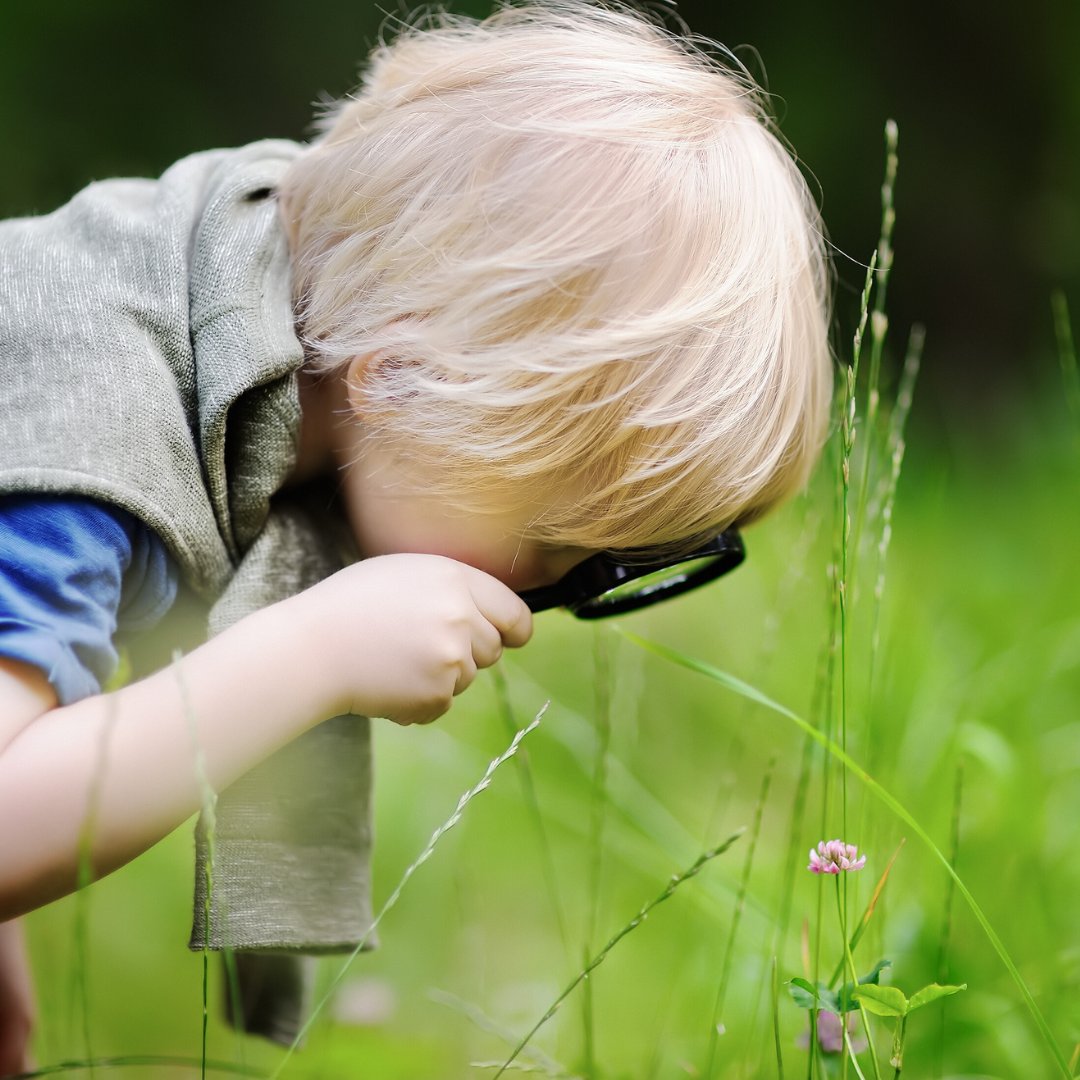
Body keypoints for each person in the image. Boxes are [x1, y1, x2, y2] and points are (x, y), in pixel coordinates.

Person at [0, 0, 832, 1070]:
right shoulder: (93, 421)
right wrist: (310, 651)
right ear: (398, 382)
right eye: (551, 547)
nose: (541, 599)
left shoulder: (243, 265)